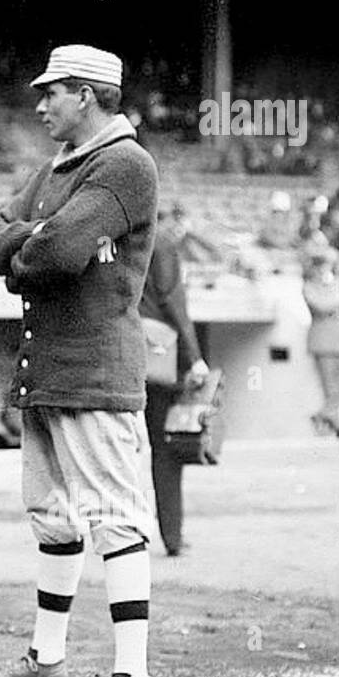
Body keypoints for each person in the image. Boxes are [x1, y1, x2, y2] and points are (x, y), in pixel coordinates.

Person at [0, 44, 161, 677]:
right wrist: (35, 242)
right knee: (52, 516)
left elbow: (59, 252)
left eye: (52, 92)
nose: (41, 103)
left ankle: (132, 676)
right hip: (46, 369)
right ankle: (47, 656)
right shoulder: (56, 169)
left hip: (96, 369)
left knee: (117, 517)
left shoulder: (125, 163)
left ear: (85, 94)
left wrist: (33, 247)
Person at [139, 222, 210, 557]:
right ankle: (172, 535)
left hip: (124, 351)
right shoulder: (162, 245)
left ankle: (123, 534)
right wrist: (195, 357)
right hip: (160, 358)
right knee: (165, 451)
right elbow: (173, 302)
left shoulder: (118, 238)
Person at [302, 245, 339, 444]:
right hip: (323, 341)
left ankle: (324, 415)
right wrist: (337, 303)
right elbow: (321, 306)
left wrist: (335, 302)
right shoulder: (309, 285)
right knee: (331, 389)